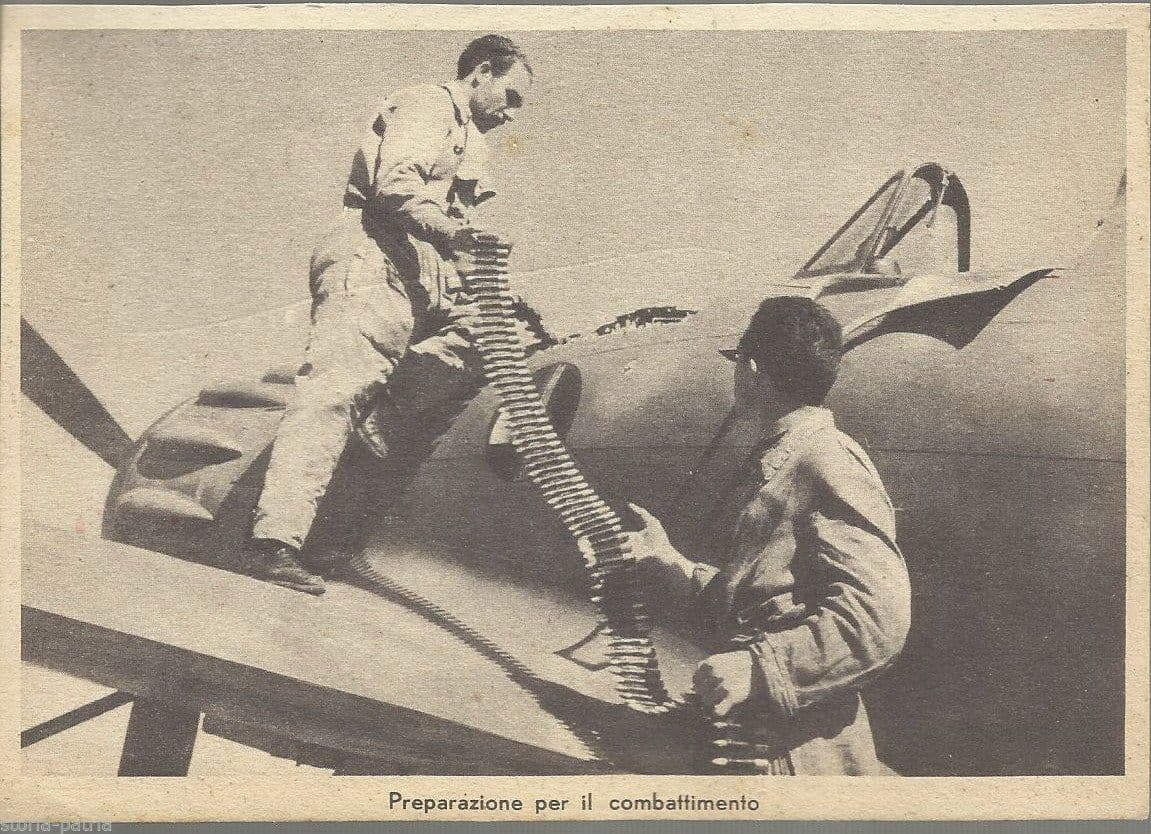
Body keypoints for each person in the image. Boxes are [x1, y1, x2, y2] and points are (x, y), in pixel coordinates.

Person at [244, 35, 533, 595]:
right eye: (511, 96)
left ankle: (381, 418)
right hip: (375, 257)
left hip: (424, 274)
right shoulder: (429, 104)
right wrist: (458, 236)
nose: (512, 113)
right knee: (336, 389)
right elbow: (395, 188)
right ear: (480, 73)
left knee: (500, 332)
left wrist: (492, 285)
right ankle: (274, 542)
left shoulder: (470, 141)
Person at [590, 296, 912, 775]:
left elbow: (878, 621)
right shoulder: (789, 455)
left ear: (753, 369)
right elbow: (767, 597)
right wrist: (674, 565)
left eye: (738, 362)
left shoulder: (826, 460)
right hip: (762, 737)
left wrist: (761, 669)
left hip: (802, 756)